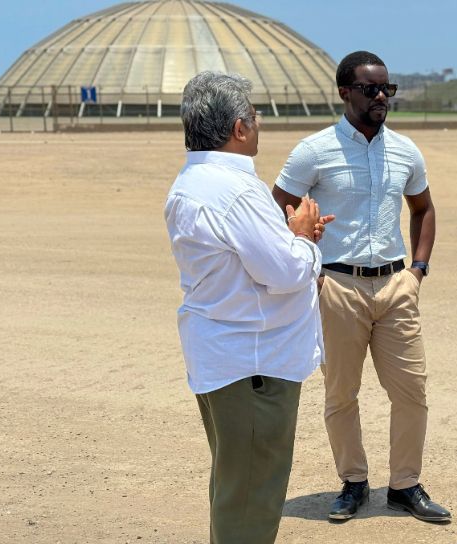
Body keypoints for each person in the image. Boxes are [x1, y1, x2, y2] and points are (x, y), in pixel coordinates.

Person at [272, 51, 450, 523]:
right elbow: (277, 207)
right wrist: (303, 262)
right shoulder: (314, 150)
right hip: (337, 287)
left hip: (396, 286)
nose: (381, 97)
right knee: (341, 394)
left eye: (387, 89)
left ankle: (405, 486)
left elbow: (423, 208)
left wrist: (419, 269)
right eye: (370, 89)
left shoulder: (406, 150)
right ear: (344, 92)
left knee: (412, 390)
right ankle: (353, 483)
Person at [164, 71, 333, 544]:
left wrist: (294, 239)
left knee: (236, 486)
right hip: (255, 367)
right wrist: (300, 237)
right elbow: (285, 273)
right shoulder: (237, 191)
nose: (259, 126)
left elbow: (249, 262)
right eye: (255, 118)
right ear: (239, 128)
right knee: (252, 499)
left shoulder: (194, 181)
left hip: (227, 358)